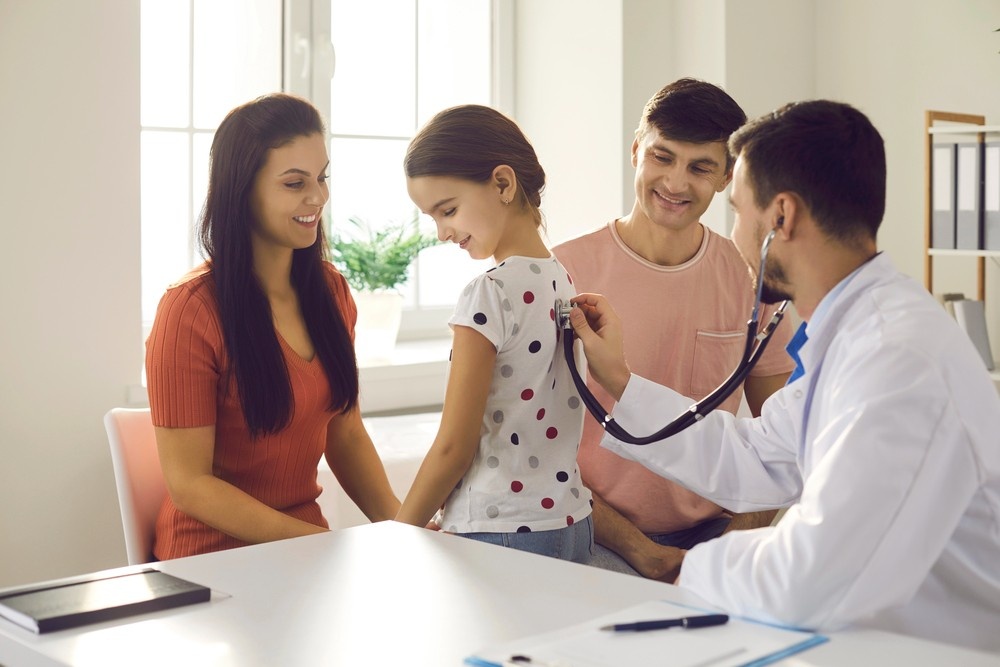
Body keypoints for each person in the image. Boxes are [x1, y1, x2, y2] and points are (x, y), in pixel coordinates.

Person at [567, 99, 1000, 651]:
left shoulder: (897, 360)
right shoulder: (857, 335)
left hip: (952, 650)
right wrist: (622, 385)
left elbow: (811, 580)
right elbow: (754, 454)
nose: (735, 232)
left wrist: (694, 567)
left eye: (739, 210)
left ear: (781, 218)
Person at [552, 78, 793, 580]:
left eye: (700, 167)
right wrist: (641, 549)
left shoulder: (752, 277)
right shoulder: (562, 271)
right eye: (662, 157)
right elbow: (529, 447)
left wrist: (727, 548)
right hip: (596, 531)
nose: (676, 183)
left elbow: (782, 443)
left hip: (721, 534)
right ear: (637, 149)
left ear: (727, 177)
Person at [145, 93, 400, 559]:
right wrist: (324, 547)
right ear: (242, 190)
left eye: (321, 178)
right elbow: (190, 486)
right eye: (293, 183)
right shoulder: (189, 310)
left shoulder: (332, 293)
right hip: (212, 562)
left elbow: (346, 436)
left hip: (306, 556)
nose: (317, 197)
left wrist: (407, 531)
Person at [394, 105, 593, 563]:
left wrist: (397, 534)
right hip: (571, 521)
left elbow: (453, 447)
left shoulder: (489, 294)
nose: (442, 232)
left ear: (503, 184)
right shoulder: (561, 278)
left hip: (498, 527)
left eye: (448, 210)